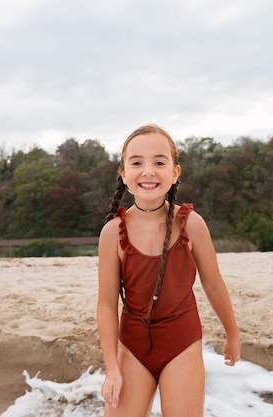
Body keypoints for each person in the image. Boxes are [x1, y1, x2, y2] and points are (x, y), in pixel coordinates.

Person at [96, 124, 241, 416]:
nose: (148, 171)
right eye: (137, 163)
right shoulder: (112, 233)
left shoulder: (192, 224)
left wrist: (232, 335)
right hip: (133, 347)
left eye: (159, 162)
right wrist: (112, 368)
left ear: (174, 173)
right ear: (124, 174)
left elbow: (213, 284)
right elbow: (107, 304)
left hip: (182, 343)